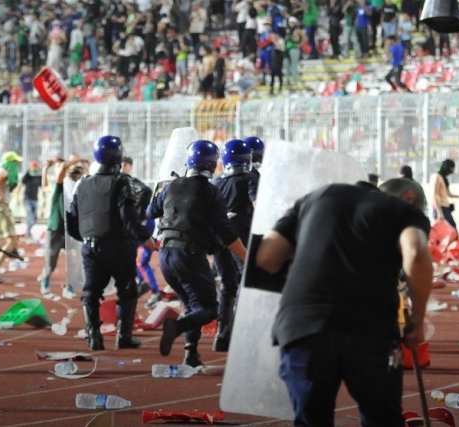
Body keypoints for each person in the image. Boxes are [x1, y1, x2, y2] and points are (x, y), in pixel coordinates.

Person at [254, 178, 433, 425]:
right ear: (410, 197)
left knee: (311, 420)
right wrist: (417, 321)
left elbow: (267, 258)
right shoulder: (403, 211)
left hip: (302, 327)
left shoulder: (315, 197)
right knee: (382, 419)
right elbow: (416, 252)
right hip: (368, 329)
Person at [150, 140, 247, 367]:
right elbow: (227, 233)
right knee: (208, 308)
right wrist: (246, 256)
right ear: (213, 165)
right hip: (189, 254)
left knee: (192, 305)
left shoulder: (171, 186)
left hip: (165, 254)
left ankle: (190, 353)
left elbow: (150, 211)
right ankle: (178, 327)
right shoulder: (211, 192)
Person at [66, 136, 156, 351]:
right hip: (119, 245)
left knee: (91, 292)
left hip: (90, 245)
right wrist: (145, 238)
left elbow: (71, 219)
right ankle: (123, 337)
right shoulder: (121, 182)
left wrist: (87, 239)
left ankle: (93, 336)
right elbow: (129, 217)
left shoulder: (82, 183)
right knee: (127, 290)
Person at [211, 139, 258, 352]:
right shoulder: (251, 178)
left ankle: (222, 334)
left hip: (219, 237)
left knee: (227, 284)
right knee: (246, 280)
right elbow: (257, 204)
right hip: (242, 236)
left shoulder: (217, 182)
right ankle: (241, 332)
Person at [38, 157, 85, 298]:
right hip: (56, 228)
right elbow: (63, 167)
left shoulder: (79, 189)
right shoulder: (60, 186)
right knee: (51, 261)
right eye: (75, 173)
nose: (77, 175)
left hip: (71, 229)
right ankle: (45, 280)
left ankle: (69, 286)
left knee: (74, 259)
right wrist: (77, 160)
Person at [120, 156, 158, 308]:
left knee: (140, 261)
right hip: (134, 226)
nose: (122, 167)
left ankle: (155, 293)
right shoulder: (119, 182)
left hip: (142, 226)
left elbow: (146, 192)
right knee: (131, 259)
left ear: (129, 166)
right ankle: (142, 283)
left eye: (125, 164)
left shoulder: (132, 183)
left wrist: (136, 215)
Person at [0, 151, 23, 284]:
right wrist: (1, 194)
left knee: (0, 240)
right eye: (15, 162)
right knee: (12, 240)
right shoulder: (4, 170)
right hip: (2, 207)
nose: (17, 166)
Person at [431, 159, 459, 229]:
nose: (452, 171)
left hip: (445, 207)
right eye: (451, 168)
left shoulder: (444, 178)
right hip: (440, 207)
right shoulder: (437, 177)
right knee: (449, 229)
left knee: (451, 228)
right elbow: (434, 195)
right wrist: (440, 212)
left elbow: (449, 194)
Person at [20, 160, 42, 243]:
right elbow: (22, 182)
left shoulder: (38, 176)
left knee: (34, 219)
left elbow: (42, 185)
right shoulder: (27, 175)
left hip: (35, 199)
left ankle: (28, 232)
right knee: (30, 218)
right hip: (27, 198)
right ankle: (28, 234)